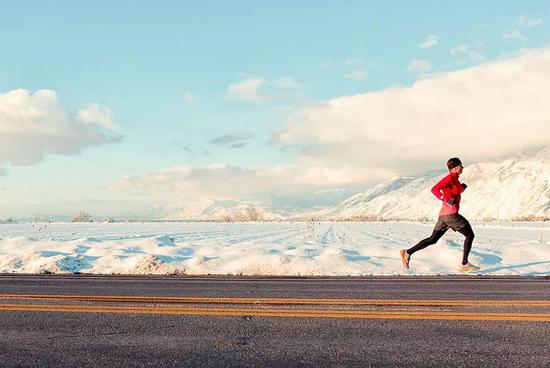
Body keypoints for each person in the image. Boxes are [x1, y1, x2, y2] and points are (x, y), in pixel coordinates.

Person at [400, 157, 480, 272]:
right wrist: (445, 199)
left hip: (444, 215)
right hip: (451, 215)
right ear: (456, 167)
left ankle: (407, 252)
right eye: (461, 166)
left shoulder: (455, 179)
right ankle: (464, 264)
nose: (462, 168)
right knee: (470, 235)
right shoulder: (450, 178)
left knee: (432, 240)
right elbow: (435, 189)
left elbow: (455, 191)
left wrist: (462, 188)